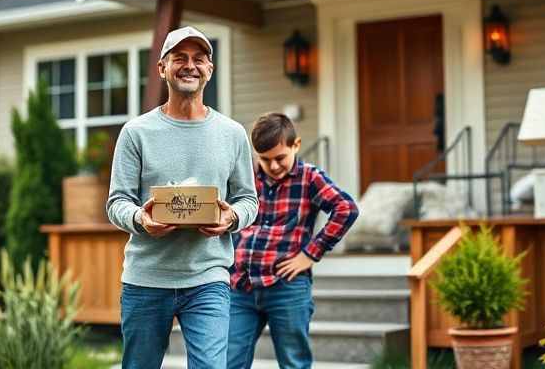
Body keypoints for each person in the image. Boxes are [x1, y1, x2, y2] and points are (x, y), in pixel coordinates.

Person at [107, 26, 259, 369]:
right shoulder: (136, 132)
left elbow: (249, 200)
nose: (190, 66)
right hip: (146, 279)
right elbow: (117, 202)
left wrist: (231, 218)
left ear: (210, 69)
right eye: (179, 58)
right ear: (162, 68)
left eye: (199, 59)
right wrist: (140, 220)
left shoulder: (232, 134)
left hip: (208, 278)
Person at [228, 113, 359, 369]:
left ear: (295, 145)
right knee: (226, 362)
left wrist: (310, 254)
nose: (274, 166)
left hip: (287, 287)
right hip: (240, 287)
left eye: (280, 158)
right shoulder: (246, 178)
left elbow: (346, 209)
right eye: (265, 160)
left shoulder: (309, 178)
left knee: (294, 363)